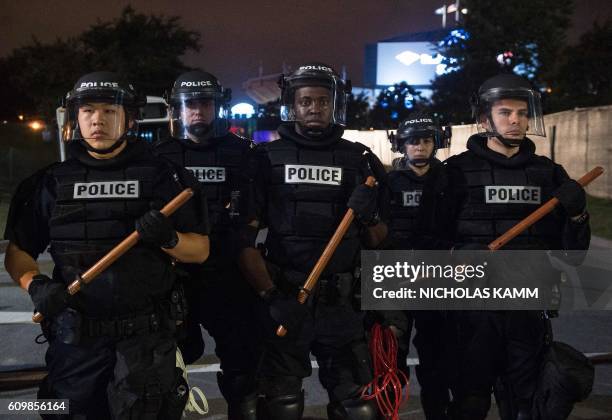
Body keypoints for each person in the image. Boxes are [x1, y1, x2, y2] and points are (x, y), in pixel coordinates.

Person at [3, 71, 210, 419]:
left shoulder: (167, 177)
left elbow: (200, 250)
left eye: (109, 111)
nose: (97, 119)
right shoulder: (49, 183)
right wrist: (35, 285)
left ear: (128, 119)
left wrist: (169, 239)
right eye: (87, 111)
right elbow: (18, 252)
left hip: (146, 342)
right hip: (75, 343)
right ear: (75, 118)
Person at [419, 73, 591, 420]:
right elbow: (426, 241)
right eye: (505, 113)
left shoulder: (549, 174)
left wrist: (577, 217)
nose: (516, 120)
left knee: (524, 405)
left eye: (522, 113)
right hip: (473, 311)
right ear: (484, 119)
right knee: (470, 402)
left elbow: (573, 256)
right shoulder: (453, 173)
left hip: (528, 308)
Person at [237, 63, 388, 419]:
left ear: (335, 105)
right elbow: (242, 240)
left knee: (359, 405)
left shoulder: (360, 160)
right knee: (279, 402)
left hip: (342, 302)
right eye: (306, 102)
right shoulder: (264, 160)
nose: (315, 109)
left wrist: (369, 216)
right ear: (293, 105)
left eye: (322, 101)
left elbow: (380, 239)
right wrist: (271, 298)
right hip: (288, 293)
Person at [153, 70, 260, 419]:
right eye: (190, 105)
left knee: (243, 368)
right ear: (177, 111)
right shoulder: (157, 157)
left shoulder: (245, 154)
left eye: (204, 103)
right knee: (165, 367)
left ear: (218, 107)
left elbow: (259, 210)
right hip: (173, 276)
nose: (197, 111)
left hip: (229, 273)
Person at [385, 113, 453, 419]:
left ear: (436, 144)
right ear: (402, 145)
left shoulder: (450, 181)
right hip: (395, 278)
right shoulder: (388, 183)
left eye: (426, 140)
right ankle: (392, 411)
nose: (420, 147)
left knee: (436, 359)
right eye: (413, 141)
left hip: (437, 279)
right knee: (391, 357)